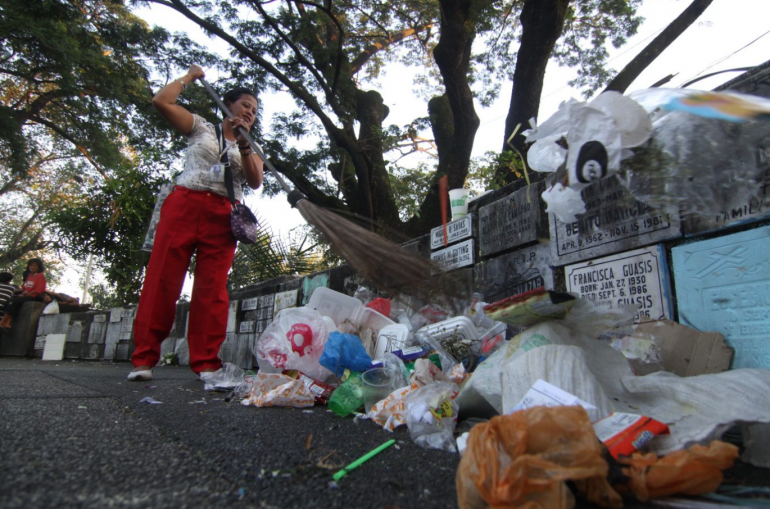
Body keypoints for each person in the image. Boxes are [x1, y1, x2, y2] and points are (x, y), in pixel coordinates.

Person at [128, 64, 264, 382]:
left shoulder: (252, 146)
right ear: (229, 105)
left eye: (255, 111)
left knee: (212, 288)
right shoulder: (201, 127)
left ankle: (206, 362)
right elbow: (162, 102)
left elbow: (255, 180)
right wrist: (189, 78)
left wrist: (244, 143)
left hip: (223, 215)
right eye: (245, 105)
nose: (250, 112)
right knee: (162, 279)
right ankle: (144, 359)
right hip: (184, 205)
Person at [0, 259, 47, 329]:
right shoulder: (29, 276)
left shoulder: (40, 276)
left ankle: (3, 321)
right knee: (10, 299)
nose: (32, 267)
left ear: (39, 267)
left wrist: (27, 294)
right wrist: (23, 292)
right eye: (31, 265)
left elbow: (38, 290)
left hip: (34, 296)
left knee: (14, 301)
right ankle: (7, 321)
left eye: (35, 266)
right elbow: (25, 288)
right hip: (26, 295)